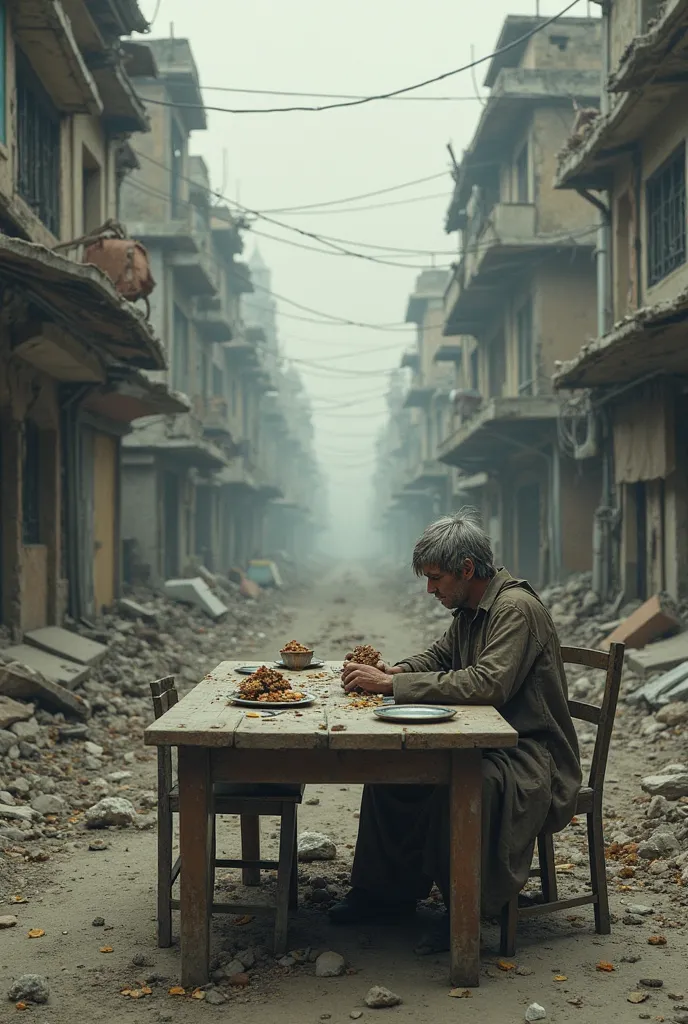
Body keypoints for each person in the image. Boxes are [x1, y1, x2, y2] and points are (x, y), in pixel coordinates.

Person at [331, 508, 581, 951]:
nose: (430, 590)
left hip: (530, 755)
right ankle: (383, 895)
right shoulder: (470, 607)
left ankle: (466, 910)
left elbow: (490, 684)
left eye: (435, 578)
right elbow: (438, 657)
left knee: (468, 783)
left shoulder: (515, 610)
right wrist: (396, 669)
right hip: (490, 742)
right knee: (393, 771)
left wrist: (392, 685)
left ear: (467, 569)